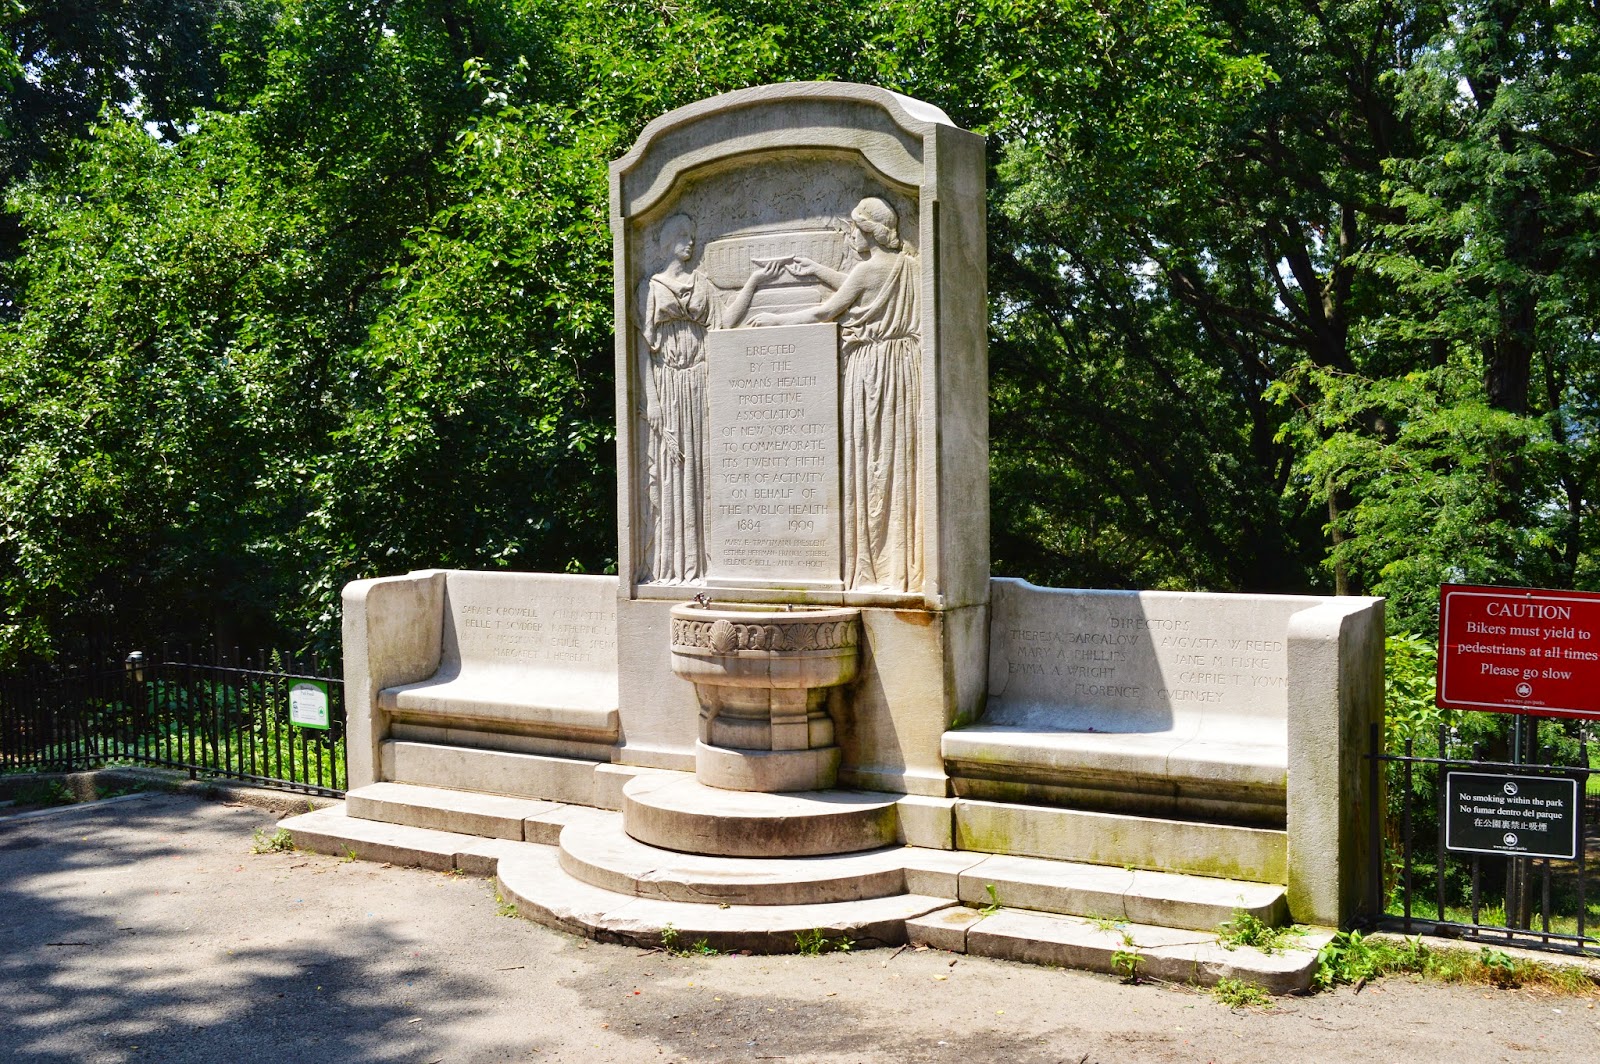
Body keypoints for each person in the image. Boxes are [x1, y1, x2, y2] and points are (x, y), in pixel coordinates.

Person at [748, 197, 923, 592]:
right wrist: (816, 271)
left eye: (853, 229)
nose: (849, 236)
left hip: (871, 367)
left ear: (867, 232)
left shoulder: (865, 271)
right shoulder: (909, 267)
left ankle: (873, 562)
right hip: (903, 368)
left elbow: (822, 313)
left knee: (869, 459)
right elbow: (861, 287)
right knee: (898, 459)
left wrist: (776, 319)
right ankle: (898, 563)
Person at [637, 214, 767, 583]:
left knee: (704, 467)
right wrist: (653, 402)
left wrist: (754, 283)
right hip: (669, 383)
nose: (690, 243)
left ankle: (707, 562)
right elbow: (643, 350)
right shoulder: (650, 287)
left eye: (693, 236)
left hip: (701, 381)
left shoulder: (702, 284)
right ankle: (674, 564)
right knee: (674, 468)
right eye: (683, 236)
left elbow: (725, 322)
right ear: (668, 242)